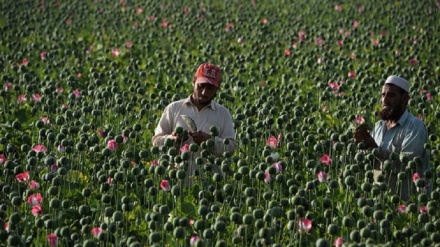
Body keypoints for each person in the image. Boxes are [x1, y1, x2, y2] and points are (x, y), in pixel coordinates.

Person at [152, 62, 236, 186]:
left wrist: (210, 141)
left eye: (210, 88)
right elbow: (156, 141)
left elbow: (231, 147)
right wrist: (172, 139)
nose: (204, 92)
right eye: (201, 86)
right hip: (176, 178)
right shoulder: (174, 108)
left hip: (209, 181)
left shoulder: (223, 114)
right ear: (193, 81)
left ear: (218, 88)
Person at [354, 75, 429, 201]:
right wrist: (361, 146)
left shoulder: (415, 126)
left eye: (391, 95)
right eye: (383, 95)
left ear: (405, 99)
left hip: (405, 204)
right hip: (378, 200)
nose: (385, 100)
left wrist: (375, 149)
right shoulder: (379, 127)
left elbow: (407, 166)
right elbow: (372, 162)